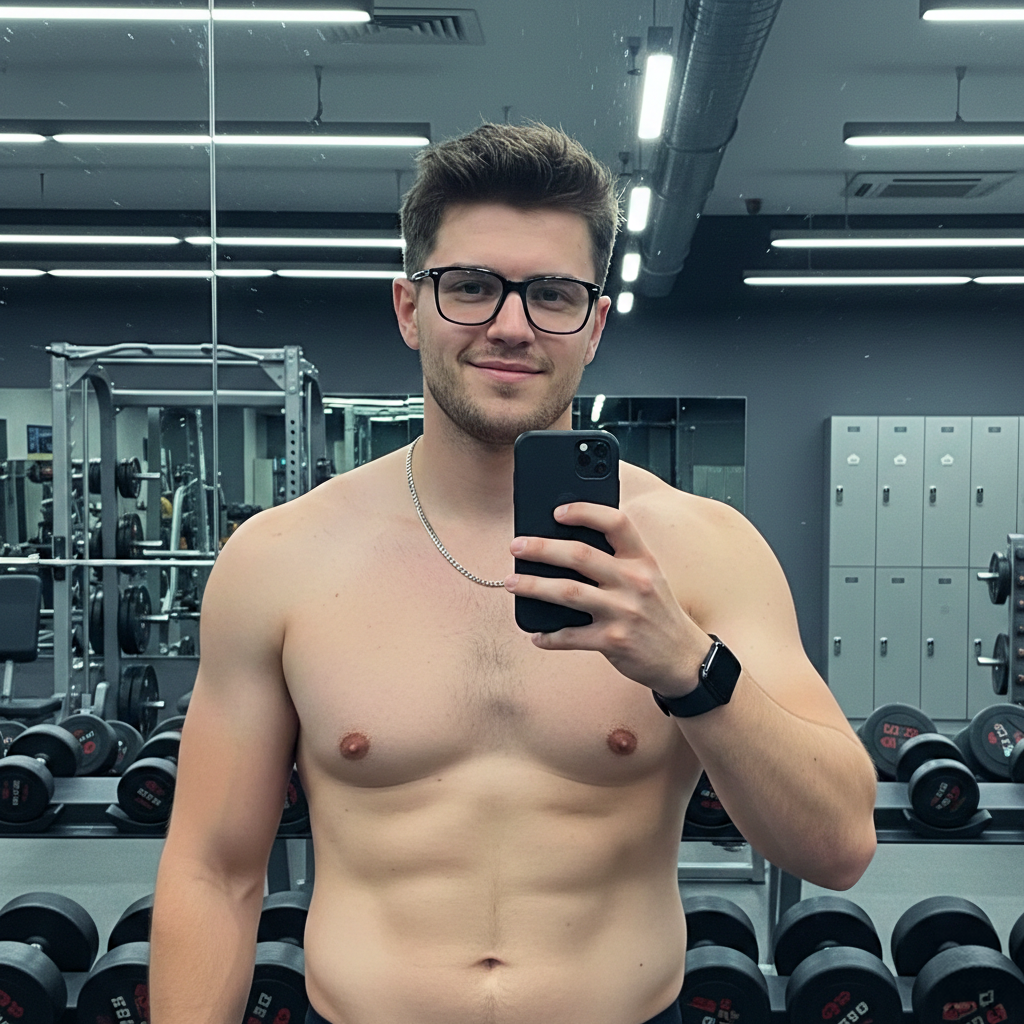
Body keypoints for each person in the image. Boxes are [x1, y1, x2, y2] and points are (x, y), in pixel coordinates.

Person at [149, 122, 877, 1024]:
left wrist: (688, 665)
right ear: (410, 307)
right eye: (471, 286)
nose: (510, 326)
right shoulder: (282, 558)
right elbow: (212, 872)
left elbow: (838, 847)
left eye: (553, 295)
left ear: (594, 325)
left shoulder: (706, 549)